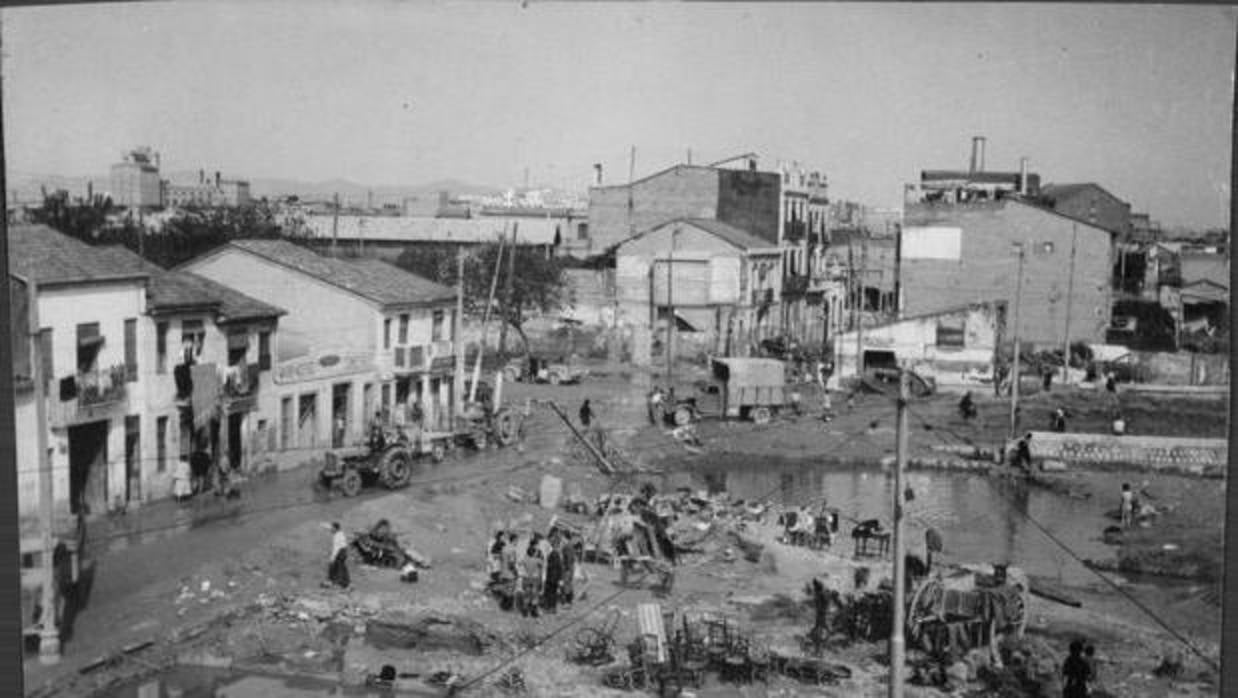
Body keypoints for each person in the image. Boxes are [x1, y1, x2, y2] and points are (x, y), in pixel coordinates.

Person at [542, 532, 564, 613]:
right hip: (554, 577)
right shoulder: (557, 554)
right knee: (553, 593)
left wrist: (546, 564)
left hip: (552, 577)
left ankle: (549, 608)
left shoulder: (554, 553)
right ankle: (552, 608)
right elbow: (560, 567)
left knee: (550, 593)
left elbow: (555, 566)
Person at [327, 522, 350, 589]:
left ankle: (342, 583)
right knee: (341, 566)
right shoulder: (341, 533)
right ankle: (343, 582)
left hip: (340, 552)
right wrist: (325, 526)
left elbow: (336, 548)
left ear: (335, 528)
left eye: (332, 528)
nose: (331, 529)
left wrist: (332, 557)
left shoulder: (337, 536)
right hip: (344, 551)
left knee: (339, 567)